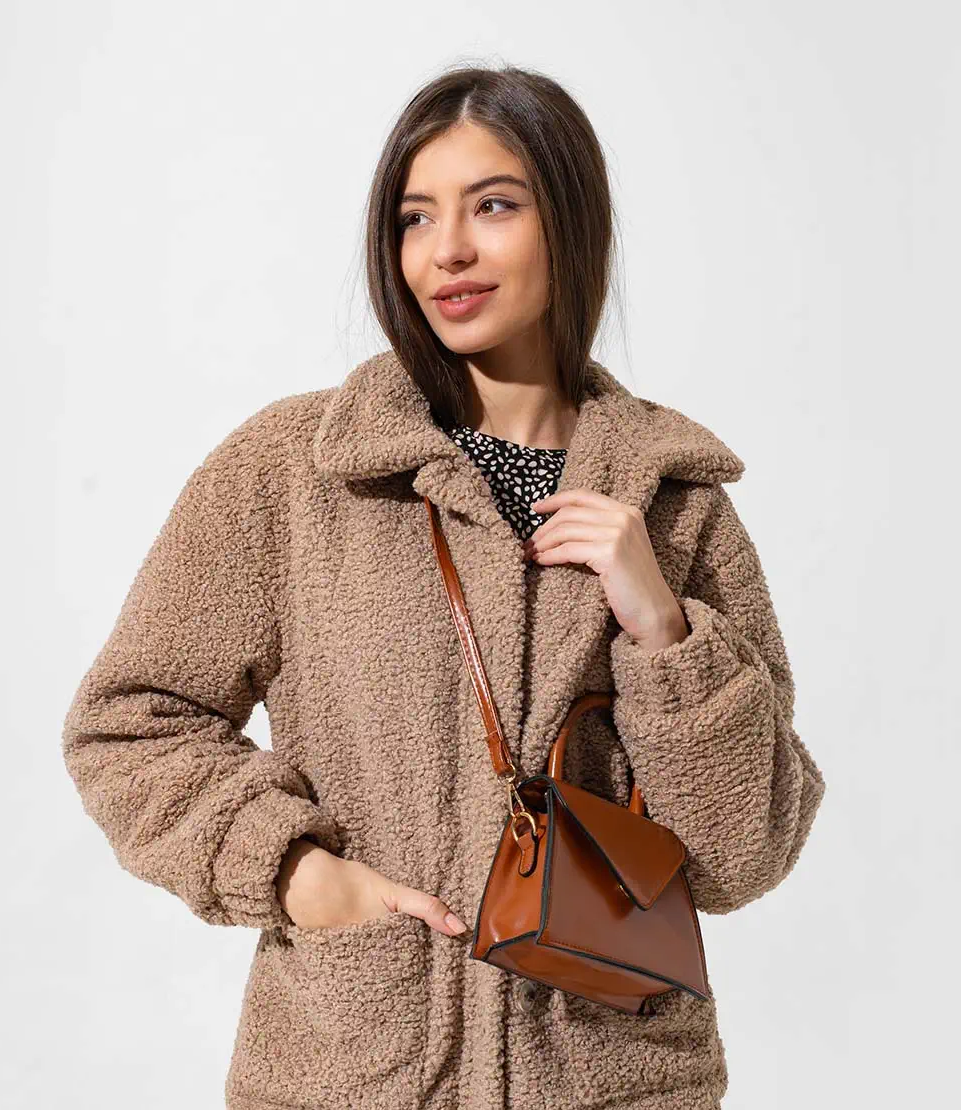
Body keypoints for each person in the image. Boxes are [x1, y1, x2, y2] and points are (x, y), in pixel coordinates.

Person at [62, 62, 826, 1110]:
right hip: (357, 1068)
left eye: (493, 206)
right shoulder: (297, 472)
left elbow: (747, 852)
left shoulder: (675, 505)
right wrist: (297, 873)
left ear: (572, 222)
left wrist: (663, 634)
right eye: (415, 218)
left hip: (614, 1079)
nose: (447, 250)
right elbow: (129, 724)